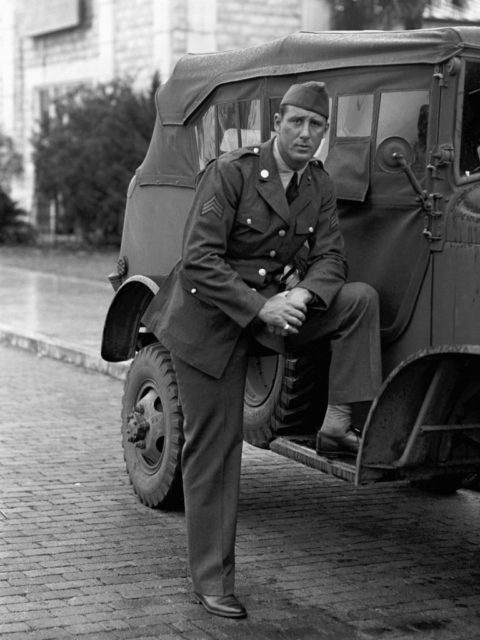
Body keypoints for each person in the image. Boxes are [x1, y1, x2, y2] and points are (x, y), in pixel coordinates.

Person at [142, 81, 382, 619]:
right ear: (278, 123)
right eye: (296, 122)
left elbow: (333, 259)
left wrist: (302, 293)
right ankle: (211, 581)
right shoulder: (232, 172)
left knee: (358, 300)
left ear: (324, 134)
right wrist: (262, 309)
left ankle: (338, 421)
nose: (305, 133)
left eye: (316, 126)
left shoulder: (317, 182)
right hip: (208, 320)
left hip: (274, 310)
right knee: (216, 449)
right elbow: (200, 261)